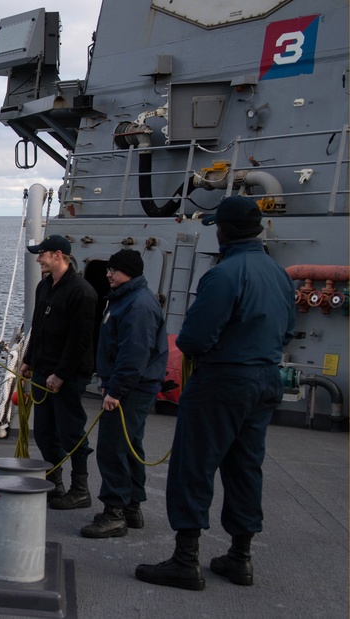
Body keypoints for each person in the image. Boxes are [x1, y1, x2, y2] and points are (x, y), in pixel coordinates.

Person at [135, 196, 296, 590]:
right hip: (264, 380)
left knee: (194, 465)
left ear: (225, 230)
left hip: (223, 382)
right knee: (245, 468)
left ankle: (185, 560)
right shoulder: (279, 274)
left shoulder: (223, 275)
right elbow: (288, 331)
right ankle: (240, 558)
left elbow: (194, 338)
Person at [81, 249, 167, 538]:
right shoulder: (127, 298)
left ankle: (114, 512)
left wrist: (115, 390)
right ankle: (131, 507)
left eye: (114, 270)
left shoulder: (138, 305)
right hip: (131, 386)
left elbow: (134, 353)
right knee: (130, 445)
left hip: (131, 389)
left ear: (129, 272)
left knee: (113, 446)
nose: (108, 274)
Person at [19, 234, 98, 510]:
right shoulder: (45, 287)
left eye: (42, 254)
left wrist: (61, 374)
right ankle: (55, 484)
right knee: (44, 432)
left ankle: (80, 489)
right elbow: (38, 328)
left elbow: (80, 340)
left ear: (58, 255)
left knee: (71, 431)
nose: (38, 259)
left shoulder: (82, 292)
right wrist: (28, 359)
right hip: (43, 371)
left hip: (69, 376)